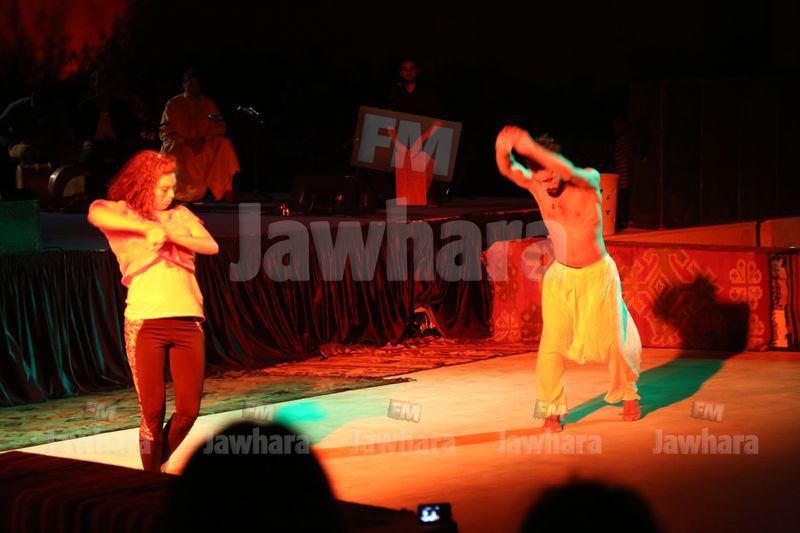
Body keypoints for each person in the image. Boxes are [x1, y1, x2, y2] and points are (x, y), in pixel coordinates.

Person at [495, 126, 642, 432]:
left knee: (617, 339)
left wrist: (529, 146)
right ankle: (551, 410)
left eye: (551, 177)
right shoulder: (537, 184)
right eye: (542, 180)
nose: (548, 185)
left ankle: (628, 393)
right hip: (560, 278)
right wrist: (502, 146)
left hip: (598, 275)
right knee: (551, 345)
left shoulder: (587, 179)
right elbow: (508, 168)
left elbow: (565, 169)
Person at [87, 150, 219, 471]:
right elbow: (96, 212)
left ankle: (155, 468)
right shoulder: (125, 214)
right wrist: (145, 229)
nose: (170, 194)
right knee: (152, 413)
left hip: (187, 320)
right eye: (163, 188)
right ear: (144, 185)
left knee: (188, 411)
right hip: (146, 322)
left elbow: (210, 246)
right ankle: (151, 476)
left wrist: (170, 233)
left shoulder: (181, 215)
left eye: (173, 187)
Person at [160, 69, 239, 202]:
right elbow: (166, 131)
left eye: (196, 85)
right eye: (191, 84)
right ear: (184, 85)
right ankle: (179, 193)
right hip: (181, 144)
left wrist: (204, 140)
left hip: (204, 144)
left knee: (225, 144)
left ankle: (225, 189)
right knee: (174, 153)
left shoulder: (208, 103)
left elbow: (219, 126)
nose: (194, 88)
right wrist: (186, 141)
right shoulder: (173, 104)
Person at [75, 69, 143, 198]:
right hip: (95, 145)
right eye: (100, 82)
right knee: (88, 160)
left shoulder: (121, 106)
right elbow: (78, 130)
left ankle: (126, 196)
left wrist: (126, 141)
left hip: (117, 144)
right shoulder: (86, 107)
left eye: (106, 82)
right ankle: (91, 196)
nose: (103, 85)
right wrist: (85, 141)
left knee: (131, 161)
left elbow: (131, 127)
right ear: (94, 84)